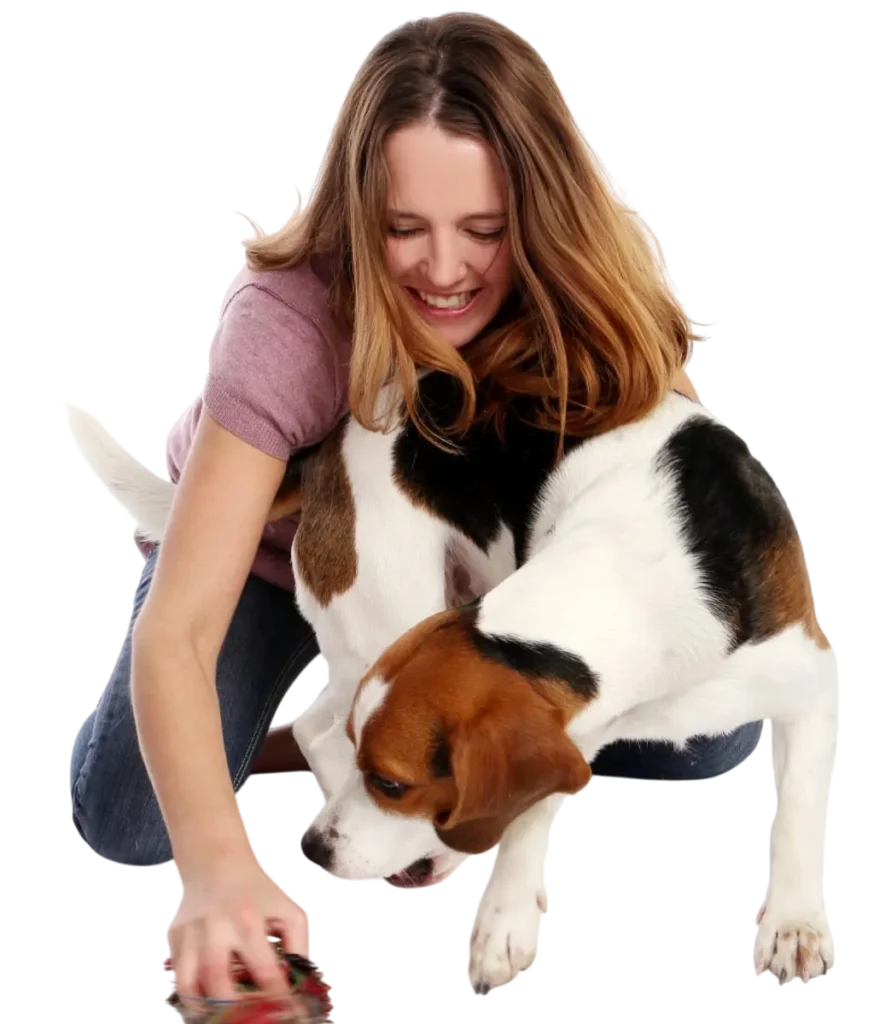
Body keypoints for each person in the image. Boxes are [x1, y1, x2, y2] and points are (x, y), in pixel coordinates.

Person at [67, 11, 761, 1003]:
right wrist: (218, 864)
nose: (443, 269)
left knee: (712, 740)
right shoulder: (290, 320)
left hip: (475, 569)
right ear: (359, 214)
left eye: (484, 230)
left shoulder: (600, 295)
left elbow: (662, 509)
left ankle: (346, 728)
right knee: (135, 820)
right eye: (404, 228)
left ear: (542, 212)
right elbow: (180, 629)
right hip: (260, 554)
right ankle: (337, 719)